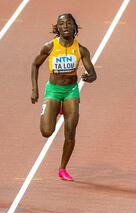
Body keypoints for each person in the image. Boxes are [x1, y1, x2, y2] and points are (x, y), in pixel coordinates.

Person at [31, 13, 97, 181]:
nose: (65, 26)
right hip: (53, 90)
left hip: (71, 91)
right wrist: (35, 90)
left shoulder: (81, 49)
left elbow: (93, 73)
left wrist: (89, 77)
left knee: (70, 132)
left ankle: (63, 168)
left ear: (74, 27)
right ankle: (56, 108)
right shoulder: (49, 46)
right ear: (57, 28)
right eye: (62, 24)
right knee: (47, 132)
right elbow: (35, 64)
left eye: (69, 23)